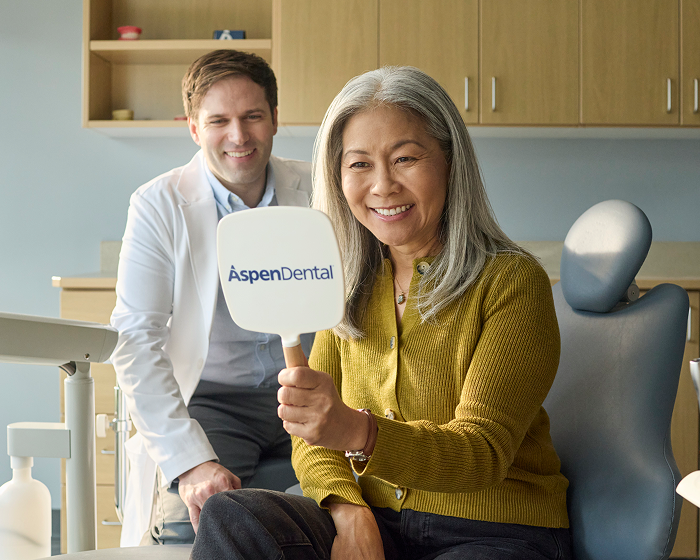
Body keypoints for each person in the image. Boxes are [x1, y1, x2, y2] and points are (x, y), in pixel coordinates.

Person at [190, 65, 573, 560]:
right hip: (378, 524)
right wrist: (348, 511)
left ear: (450, 162)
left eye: (406, 158)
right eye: (359, 164)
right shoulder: (350, 286)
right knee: (231, 516)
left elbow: (482, 454)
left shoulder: (512, 283)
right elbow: (312, 435)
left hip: (495, 531)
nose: (383, 185)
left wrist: (357, 430)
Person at [110, 49, 314, 547]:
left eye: (252, 117)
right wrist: (194, 461)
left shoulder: (318, 188)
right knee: (189, 525)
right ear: (195, 129)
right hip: (214, 401)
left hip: (314, 385)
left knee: (352, 514)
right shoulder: (158, 204)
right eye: (219, 120)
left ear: (274, 120)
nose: (239, 136)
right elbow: (136, 339)